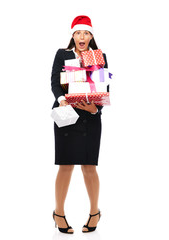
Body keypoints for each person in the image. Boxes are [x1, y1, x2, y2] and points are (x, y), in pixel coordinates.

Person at [51, 15, 108, 234]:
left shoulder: (99, 57)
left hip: (90, 117)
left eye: (85, 33)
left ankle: (95, 213)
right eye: (77, 33)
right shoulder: (62, 54)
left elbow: (104, 88)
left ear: (91, 35)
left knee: (89, 167)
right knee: (65, 166)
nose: (81, 36)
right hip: (66, 114)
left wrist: (95, 109)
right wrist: (61, 99)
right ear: (72, 35)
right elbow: (55, 81)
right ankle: (59, 213)